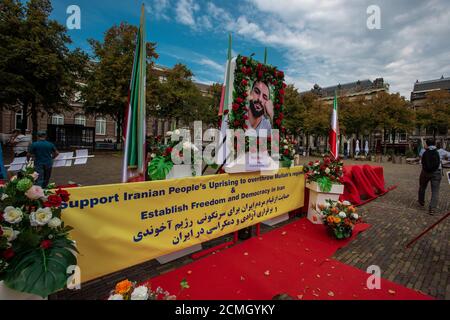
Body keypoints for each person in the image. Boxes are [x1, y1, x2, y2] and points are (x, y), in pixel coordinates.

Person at [418, 138, 442, 215]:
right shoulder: (441, 151)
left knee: (422, 186)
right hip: (437, 172)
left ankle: (421, 201)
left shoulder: (423, 151)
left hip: (425, 172)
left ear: (427, 144)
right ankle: (432, 209)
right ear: (435, 144)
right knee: (435, 191)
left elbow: (420, 158)